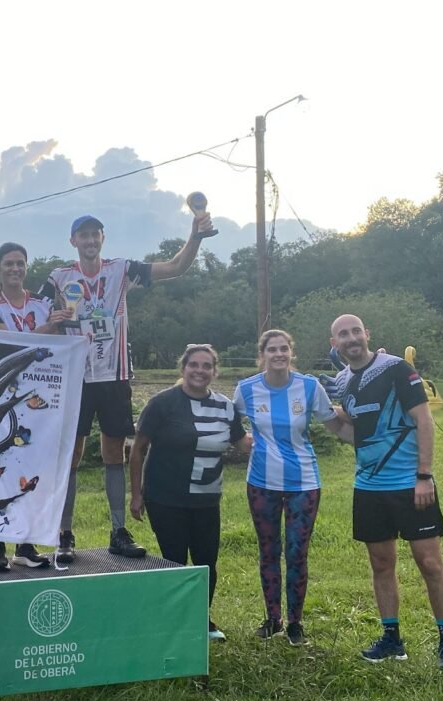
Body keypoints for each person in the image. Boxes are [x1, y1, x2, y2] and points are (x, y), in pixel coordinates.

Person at [42, 212, 209, 563]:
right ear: (73, 241)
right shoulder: (59, 277)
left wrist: (195, 235)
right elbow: (28, 312)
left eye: (95, 234)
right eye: (83, 235)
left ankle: (118, 531)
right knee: (71, 455)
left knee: (113, 453)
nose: (90, 240)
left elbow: (176, 267)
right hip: (75, 377)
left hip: (113, 375)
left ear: (103, 238)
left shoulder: (121, 269)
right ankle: (64, 534)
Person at [329, 314, 443, 671]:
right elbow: (357, 433)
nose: (351, 338)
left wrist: (424, 476)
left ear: (367, 334)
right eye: (343, 334)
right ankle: (392, 639)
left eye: (356, 331)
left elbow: (424, 420)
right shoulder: (342, 381)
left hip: (410, 484)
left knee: (430, 563)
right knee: (381, 564)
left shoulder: (396, 369)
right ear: (334, 343)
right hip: (368, 487)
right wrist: (327, 417)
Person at [232, 330, 346, 647]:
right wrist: (241, 444)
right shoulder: (246, 389)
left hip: (304, 482)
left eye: (284, 348)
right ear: (262, 355)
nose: (279, 354)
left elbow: (335, 426)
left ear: (291, 353)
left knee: (297, 552)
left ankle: (295, 623)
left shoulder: (309, 387)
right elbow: (228, 423)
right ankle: (273, 619)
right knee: (269, 551)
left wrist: (372, 437)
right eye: (272, 349)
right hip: (261, 482)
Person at [129, 344, 247, 642]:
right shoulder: (162, 404)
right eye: (194, 364)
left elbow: (242, 442)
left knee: (206, 563)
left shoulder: (225, 407)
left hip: (207, 499)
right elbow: (138, 449)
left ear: (214, 372)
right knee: (175, 562)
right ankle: (175, 622)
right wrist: (136, 494)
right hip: (165, 497)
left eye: (207, 366)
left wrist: (278, 435)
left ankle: (201, 620)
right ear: (183, 368)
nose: (200, 371)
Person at [0, 242, 65, 571]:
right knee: (1, 466)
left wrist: (61, 327)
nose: (15, 269)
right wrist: (48, 329)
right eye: (8, 263)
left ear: (27, 268)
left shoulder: (43, 303)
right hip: (1, 397)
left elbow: (58, 345)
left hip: (38, 398)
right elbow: (10, 344)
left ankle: (25, 544)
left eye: (20, 263)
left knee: (33, 467)